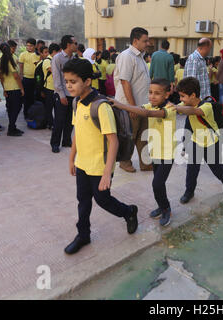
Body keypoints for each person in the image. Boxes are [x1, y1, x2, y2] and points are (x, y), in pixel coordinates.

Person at [63, 58, 138, 255]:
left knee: (102, 200)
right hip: (82, 163)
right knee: (83, 200)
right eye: (67, 81)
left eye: (73, 81)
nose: (69, 86)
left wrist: (107, 173)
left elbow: (113, 141)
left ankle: (129, 211)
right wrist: (72, 158)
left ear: (87, 81)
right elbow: (77, 134)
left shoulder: (100, 106)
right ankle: (83, 235)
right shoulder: (76, 103)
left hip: (99, 165)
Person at [108, 78, 175, 227]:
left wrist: (120, 104)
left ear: (167, 95)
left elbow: (145, 112)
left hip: (167, 154)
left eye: (157, 93)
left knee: (157, 184)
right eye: (150, 92)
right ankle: (161, 205)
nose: (152, 96)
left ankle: (166, 209)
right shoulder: (151, 105)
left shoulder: (169, 109)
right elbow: (141, 108)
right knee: (158, 184)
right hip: (155, 152)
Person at [172, 77, 223, 204]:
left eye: (183, 96)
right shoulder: (185, 104)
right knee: (192, 169)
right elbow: (180, 107)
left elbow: (195, 111)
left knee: (216, 168)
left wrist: (176, 108)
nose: (181, 99)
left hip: (211, 142)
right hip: (195, 142)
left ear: (193, 95)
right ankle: (189, 191)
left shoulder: (207, 106)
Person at [114, 27, 153, 172]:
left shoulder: (140, 56)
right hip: (130, 105)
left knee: (143, 135)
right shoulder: (127, 56)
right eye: (145, 41)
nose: (148, 43)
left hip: (143, 106)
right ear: (135, 41)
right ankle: (124, 161)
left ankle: (145, 162)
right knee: (130, 135)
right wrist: (132, 106)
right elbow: (125, 82)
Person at [50, 35, 78, 153]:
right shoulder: (57, 58)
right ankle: (55, 143)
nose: (77, 45)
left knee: (70, 120)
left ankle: (66, 140)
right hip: (61, 94)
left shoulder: (74, 58)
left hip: (73, 94)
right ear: (68, 44)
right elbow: (56, 78)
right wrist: (61, 95)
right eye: (75, 43)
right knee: (59, 120)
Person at [0, 42, 25, 137]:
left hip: (8, 88)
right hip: (15, 88)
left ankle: (12, 127)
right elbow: (16, 76)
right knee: (17, 108)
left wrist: (4, 89)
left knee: (11, 109)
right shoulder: (11, 58)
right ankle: (11, 128)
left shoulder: (1, 60)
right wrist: (22, 89)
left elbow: (1, 77)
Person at [19, 38, 40, 119]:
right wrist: (21, 78)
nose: (29, 47)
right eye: (27, 46)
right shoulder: (23, 54)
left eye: (31, 46)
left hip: (36, 79)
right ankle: (26, 114)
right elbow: (21, 67)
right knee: (26, 98)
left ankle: (34, 113)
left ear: (35, 46)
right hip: (26, 79)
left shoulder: (38, 55)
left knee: (35, 97)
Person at [43, 43, 60, 130]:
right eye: (58, 52)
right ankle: (50, 124)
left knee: (57, 108)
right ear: (54, 52)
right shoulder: (47, 61)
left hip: (56, 89)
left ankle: (56, 123)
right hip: (49, 88)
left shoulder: (55, 60)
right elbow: (54, 72)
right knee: (49, 108)